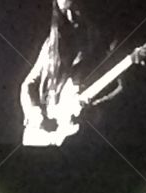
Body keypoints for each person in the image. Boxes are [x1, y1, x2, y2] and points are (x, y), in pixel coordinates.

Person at [20, 0, 122, 146]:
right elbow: (28, 84)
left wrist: (95, 110)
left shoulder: (106, 43)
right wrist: (34, 112)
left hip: (85, 141)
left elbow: (121, 87)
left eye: (74, 10)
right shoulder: (51, 44)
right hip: (46, 136)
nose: (70, 17)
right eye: (64, 13)